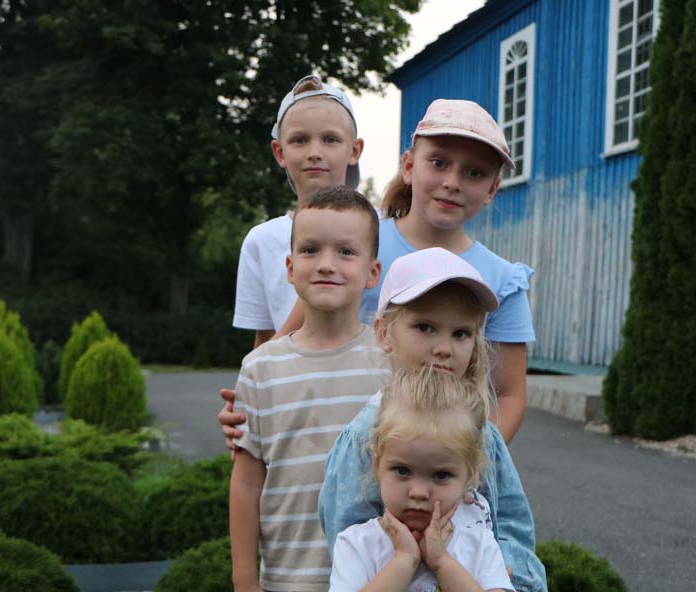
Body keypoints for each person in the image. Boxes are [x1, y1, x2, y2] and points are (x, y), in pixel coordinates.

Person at [222, 99, 535, 442]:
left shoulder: (502, 281)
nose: (452, 182)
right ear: (408, 166)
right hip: (332, 440)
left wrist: (473, 458)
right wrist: (246, 404)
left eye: (474, 173)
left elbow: (508, 394)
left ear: (492, 189)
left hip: (436, 459)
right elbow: (290, 338)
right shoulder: (355, 246)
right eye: (438, 163)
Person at [320, 247, 546, 592]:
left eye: (461, 333)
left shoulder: (482, 432)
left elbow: (512, 524)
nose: (444, 348)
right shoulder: (366, 434)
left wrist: (508, 574)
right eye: (425, 327)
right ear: (384, 332)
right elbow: (346, 536)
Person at [229, 186, 387, 592]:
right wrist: (244, 579)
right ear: (290, 266)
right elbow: (246, 482)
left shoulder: (393, 364)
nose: (326, 265)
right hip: (287, 577)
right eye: (310, 250)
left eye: (346, 252)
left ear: (373, 272)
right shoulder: (259, 369)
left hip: (379, 578)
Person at [328, 367, 513, 592]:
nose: (418, 492)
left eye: (441, 475)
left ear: (470, 475)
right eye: (402, 470)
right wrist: (404, 560)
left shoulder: (479, 546)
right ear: (377, 465)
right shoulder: (357, 545)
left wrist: (442, 563)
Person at [232, 74, 363, 349]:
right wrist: (256, 374)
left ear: (354, 150)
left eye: (330, 139)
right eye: (300, 140)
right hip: (289, 376)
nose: (314, 152)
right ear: (279, 152)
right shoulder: (260, 241)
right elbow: (264, 339)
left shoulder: (379, 228)